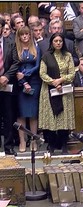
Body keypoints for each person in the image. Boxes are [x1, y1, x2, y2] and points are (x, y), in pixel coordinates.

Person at [38, 33, 76, 154]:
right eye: (56, 41)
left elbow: (72, 74)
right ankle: (51, 145)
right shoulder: (46, 56)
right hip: (49, 91)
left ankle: (64, 145)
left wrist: (61, 80)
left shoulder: (68, 56)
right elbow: (42, 73)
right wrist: (54, 82)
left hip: (64, 91)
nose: (58, 43)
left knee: (64, 120)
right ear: (52, 43)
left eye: (60, 41)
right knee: (51, 120)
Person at [15, 26, 41, 153]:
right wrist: (23, 81)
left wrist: (26, 74)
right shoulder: (16, 49)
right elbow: (15, 67)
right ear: (19, 36)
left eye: (27, 34)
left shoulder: (35, 48)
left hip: (34, 82)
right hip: (20, 84)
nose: (25, 37)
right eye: (22, 35)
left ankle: (33, 140)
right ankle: (22, 141)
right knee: (21, 114)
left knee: (32, 114)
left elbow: (37, 66)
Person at [0, 17, 20, 155]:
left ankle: (8, 147)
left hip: (7, 85)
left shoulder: (10, 43)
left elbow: (16, 62)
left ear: (2, 27)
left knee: (8, 116)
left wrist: (6, 76)